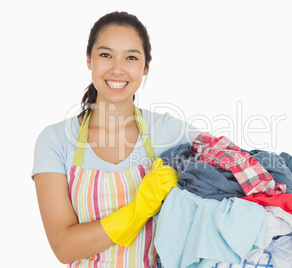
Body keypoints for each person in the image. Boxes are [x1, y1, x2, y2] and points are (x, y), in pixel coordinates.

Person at [32, 11, 199, 267]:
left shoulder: (170, 132)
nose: (117, 69)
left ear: (145, 67)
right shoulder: (55, 140)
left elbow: (233, 163)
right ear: (89, 60)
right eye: (105, 55)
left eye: (131, 57)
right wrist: (142, 208)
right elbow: (64, 247)